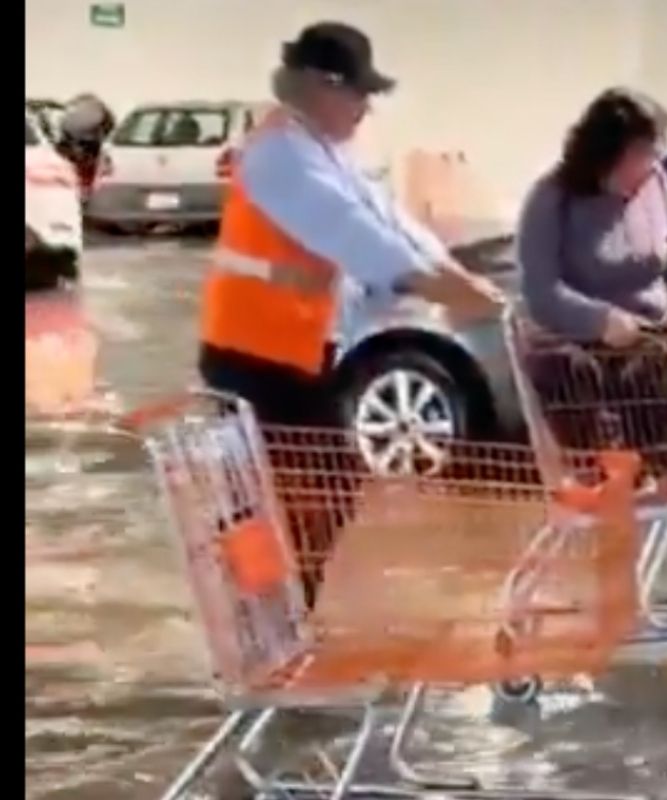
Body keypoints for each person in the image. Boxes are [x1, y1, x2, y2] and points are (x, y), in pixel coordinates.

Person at [199, 22, 502, 591]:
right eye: (357, 92)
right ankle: (260, 608)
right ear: (319, 86)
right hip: (252, 349)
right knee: (289, 496)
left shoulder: (326, 149)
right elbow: (356, 235)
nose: (365, 107)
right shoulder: (279, 156)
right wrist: (438, 287)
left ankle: (282, 608)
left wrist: (456, 276)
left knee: (319, 494)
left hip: (299, 346)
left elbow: (389, 218)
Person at [515, 88, 667, 458]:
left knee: (662, 401)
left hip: (651, 344)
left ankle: (654, 479)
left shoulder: (656, 184)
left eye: (653, 154)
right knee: (570, 379)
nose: (647, 166)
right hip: (580, 354)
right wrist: (601, 320)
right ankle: (602, 477)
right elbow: (541, 291)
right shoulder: (551, 199)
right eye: (638, 155)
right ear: (604, 154)